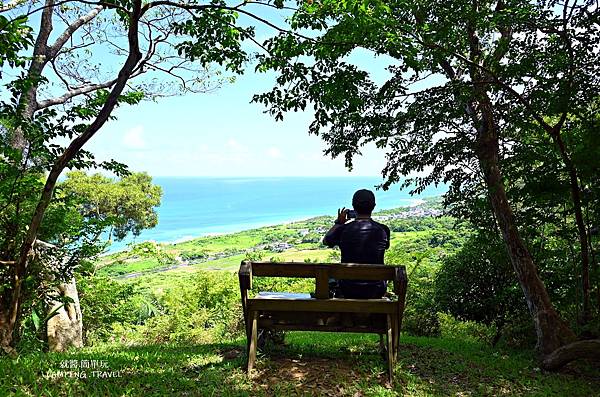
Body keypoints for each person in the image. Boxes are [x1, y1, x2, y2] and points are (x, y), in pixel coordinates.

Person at [323, 189, 391, 299]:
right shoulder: (383, 230)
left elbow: (326, 241)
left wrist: (338, 223)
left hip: (348, 289)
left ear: (353, 207)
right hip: (376, 289)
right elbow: (385, 247)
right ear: (374, 206)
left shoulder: (343, 230)